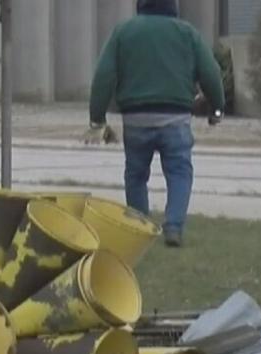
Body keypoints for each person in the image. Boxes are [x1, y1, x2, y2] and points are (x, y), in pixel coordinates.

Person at [88, 0, 226, 248]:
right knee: (179, 172)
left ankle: (140, 228)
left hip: (135, 118)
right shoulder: (187, 33)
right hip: (176, 117)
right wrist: (216, 108)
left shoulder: (124, 32)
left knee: (136, 175)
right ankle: (173, 226)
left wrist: (97, 117)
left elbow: (104, 75)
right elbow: (211, 73)